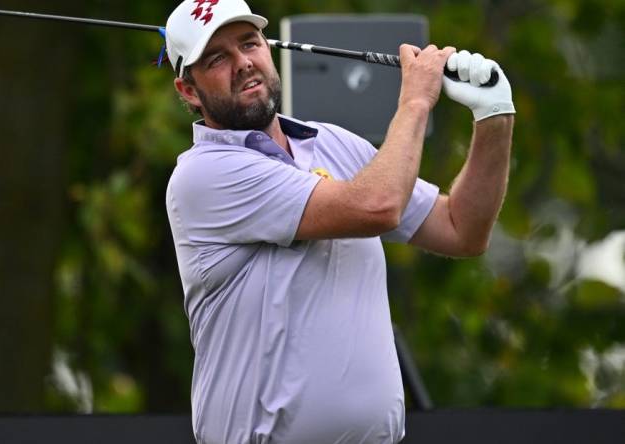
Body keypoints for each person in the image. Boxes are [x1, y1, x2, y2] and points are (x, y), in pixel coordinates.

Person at [163, 0, 515, 442]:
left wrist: (494, 117)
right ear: (189, 91)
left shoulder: (334, 143)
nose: (243, 64)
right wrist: (416, 100)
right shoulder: (204, 174)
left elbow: (462, 229)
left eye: (249, 44)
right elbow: (378, 206)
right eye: (217, 59)